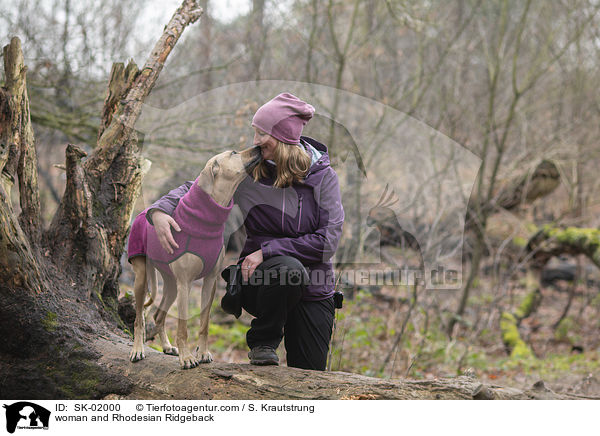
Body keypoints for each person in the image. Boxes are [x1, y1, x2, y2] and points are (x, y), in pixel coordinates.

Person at [145, 93, 344, 370]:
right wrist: (159, 211)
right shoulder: (252, 173)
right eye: (255, 132)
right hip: (263, 283)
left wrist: (266, 251)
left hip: (314, 288)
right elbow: (197, 187)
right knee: (288, 270)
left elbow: (328, 242)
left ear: (283, 136)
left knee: (310, 377)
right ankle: (263, 342)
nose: (255, 141)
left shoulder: (323, 178)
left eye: (262, 133)